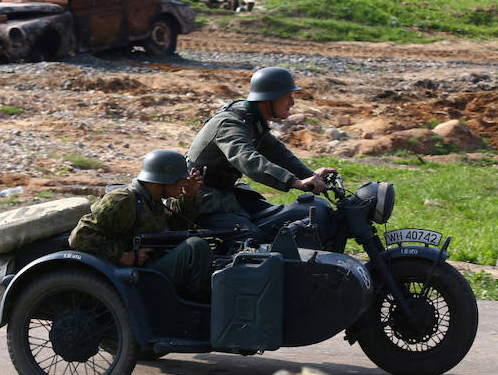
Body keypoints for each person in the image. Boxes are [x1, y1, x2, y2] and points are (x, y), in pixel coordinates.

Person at [186, 66, 336, 235]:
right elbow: (247, 159)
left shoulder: (252, 119)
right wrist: (295, 182)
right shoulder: (231, 124)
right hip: (199, 199)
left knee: (278, 219)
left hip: (222, 193)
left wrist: (312, 177)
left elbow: (279, 154)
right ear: (268, 99)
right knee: (253, 235)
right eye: (287, 96)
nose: (292, 102)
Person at [68, 149, 213, 300]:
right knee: (196, 247)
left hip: (151, 266)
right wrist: (123, 256)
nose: (184, 182)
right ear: (164, 179)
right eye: (180, 179)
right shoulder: (123, 200)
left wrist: (188, 197)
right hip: (135, 275)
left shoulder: (153, 200)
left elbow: (175, 228)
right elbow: (80, 235)